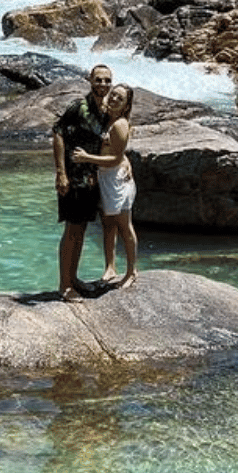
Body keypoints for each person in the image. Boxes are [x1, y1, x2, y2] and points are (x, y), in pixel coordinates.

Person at [52, 64, 112, 302]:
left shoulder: (105, 111)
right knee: (72, 230)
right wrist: (61, 173)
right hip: (73, 178)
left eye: (107, 80)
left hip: (91, 180)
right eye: (99, 80)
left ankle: (73, 278)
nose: (103, 84)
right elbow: (58, 133)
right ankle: (64, 285)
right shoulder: (78, 107)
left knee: (81, 230)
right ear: (90, 80)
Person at [71, 84, 138, 289]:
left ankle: (131, 272)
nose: (114, 99)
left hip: (117, 180)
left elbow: (116, 158)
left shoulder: (120, 125)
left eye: (120, 98)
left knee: (124, 226)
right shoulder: (105, 118)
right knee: (108, 224)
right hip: (104, 177)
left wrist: (86, 158)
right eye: (113, 95)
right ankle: (110, 267)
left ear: (126, 106)